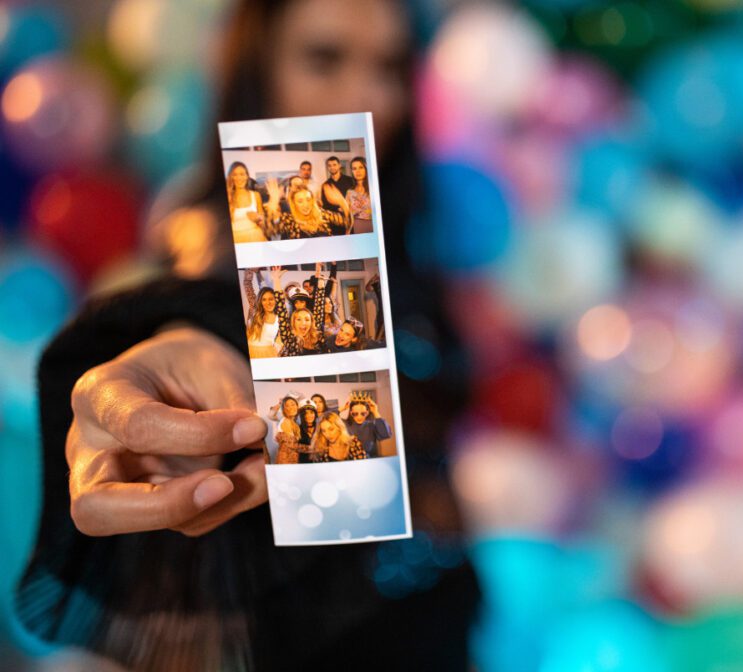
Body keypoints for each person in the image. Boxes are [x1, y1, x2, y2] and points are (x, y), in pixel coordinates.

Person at [18, 0, 479, 669]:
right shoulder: (253, 225)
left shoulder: (400, 228)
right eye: (323, 58)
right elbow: (211, 309)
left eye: (390, 66)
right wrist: (187, 347)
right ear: (254, 70)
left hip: (443, 623)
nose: (367, 94)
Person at [266, 182, 350, 238]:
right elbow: (273, 231)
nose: (305, 205)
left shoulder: (322, 214)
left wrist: (342, 203)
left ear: (313, 200)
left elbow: (347, 222)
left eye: (308, 199)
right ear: (294, 203)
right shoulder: (289, 219)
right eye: (300, 201)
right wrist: (273, 207)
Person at [226, 161, 268, 243]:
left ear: (247, 176)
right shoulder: (228, 197)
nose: (239, 178)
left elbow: (263, 223)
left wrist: (258, 219)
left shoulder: (256, 195)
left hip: (256, 238)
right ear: (230, 177)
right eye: (235, 175)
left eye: (242, 174)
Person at [346, 156, 372, 234]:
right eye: (354, 168)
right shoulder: (349, 192)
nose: (358, 171)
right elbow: (348, 214)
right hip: (358, 227)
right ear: (352, 172)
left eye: (361, 167)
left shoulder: (373, 187)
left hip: (374, 225)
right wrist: (348, 230)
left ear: (366, 169)